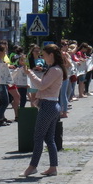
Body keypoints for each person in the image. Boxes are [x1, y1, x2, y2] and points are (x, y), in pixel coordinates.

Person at [22, 44, 65, 177]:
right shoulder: (55, 69)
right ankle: (53, 167)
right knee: (49, 138)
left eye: (44, 55)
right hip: (51, 104)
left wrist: (30, 73)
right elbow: (45, 87)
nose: (43, 58)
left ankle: (33, 166)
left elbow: (41, 85)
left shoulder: (55, 70)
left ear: (51, 55)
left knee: (39, 136)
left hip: (48, 106)